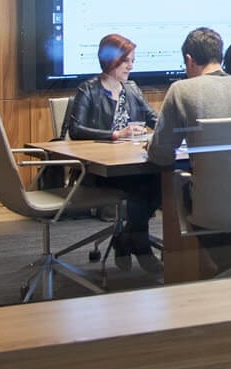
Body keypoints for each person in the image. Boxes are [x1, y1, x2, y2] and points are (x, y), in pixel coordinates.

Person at [145, 27, 231, 272]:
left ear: (189, 60)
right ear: (221, 57)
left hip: (210, 203)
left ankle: (219, 266)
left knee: (180, 186)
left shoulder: (181, 90)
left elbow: (161, 154)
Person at [60, 34, 162, 270]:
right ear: (111, 61)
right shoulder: (89, 89)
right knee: (140, 186)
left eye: (132, 61)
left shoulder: (132, 89)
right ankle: (140, 244)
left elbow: (154, 119)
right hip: (102, 170)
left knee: (162, 178)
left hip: (135, 161)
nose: (131, 66)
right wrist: (116, 134)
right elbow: (75, 130)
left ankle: (128, 237)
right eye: (126, 60)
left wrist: (172, 130)